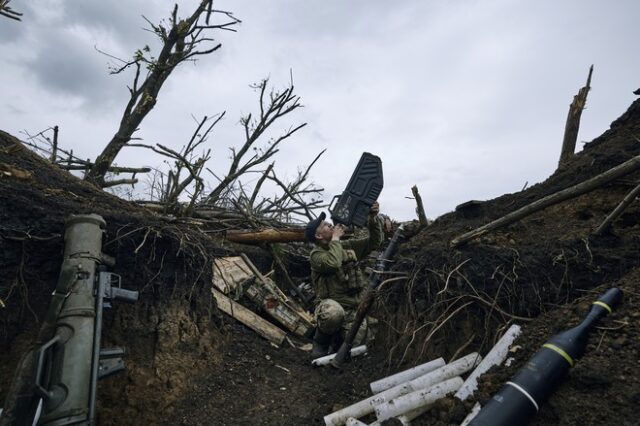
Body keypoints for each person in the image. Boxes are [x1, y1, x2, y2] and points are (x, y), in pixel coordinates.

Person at [305, 201, 384, 357]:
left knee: (361, 343)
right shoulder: (316, 255)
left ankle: (337, 343)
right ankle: (321, 341)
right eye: (324, 225)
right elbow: (333, 263)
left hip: (353, 308)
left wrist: (372, 218)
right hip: (331, 306)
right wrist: (335, 239)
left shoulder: (345, 245)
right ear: (318, 235)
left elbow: (374, 242)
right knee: (333, 314)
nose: (329, 224)